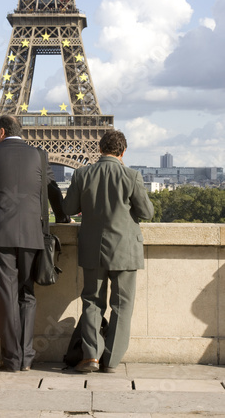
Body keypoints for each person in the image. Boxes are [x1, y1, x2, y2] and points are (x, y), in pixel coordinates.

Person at [0, 115, 70, 372]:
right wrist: (63, 217)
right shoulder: (40, 155)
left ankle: (11, 358)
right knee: (27, 294)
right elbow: (53, 190)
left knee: (6, 296)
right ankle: (27, 357)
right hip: (32, 234)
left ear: (1, 132)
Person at [62, 129, 154, 373]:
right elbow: (147, 213)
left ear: (99, 149)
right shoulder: (131, 175)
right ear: (123, 152)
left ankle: (91, 356)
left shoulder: (82, 174)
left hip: (93, 248)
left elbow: (68, 208)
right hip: (125, 250)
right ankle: (111, 360)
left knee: (92, 301)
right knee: (122, 305)